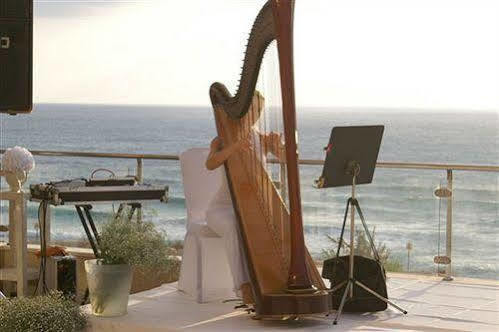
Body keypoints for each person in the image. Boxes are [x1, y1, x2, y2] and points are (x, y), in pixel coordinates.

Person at [205, 92, 284, 304]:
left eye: (260, 110)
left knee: (280, 224)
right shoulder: (222, 138)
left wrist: (280, 145)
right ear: (241, 110)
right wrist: (234, 147)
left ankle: (276, 280)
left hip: (252, 208)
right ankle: (244, 286)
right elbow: (210, 164)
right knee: (233, 224)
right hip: (221, 210)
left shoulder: (261, 138)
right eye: (252, 109)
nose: (256, 115)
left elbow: (288, 159)